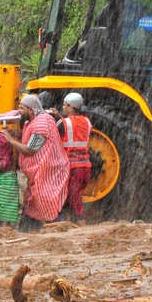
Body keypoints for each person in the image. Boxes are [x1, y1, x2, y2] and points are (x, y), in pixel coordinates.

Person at [2, 94, 70, 231]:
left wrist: (10, 139)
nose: (19, 111)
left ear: (31, 110)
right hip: (40, 173)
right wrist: (14, 133)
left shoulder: (41, 124)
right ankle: (25, 230)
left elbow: (30, 149)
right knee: (32, 203)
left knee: (45, 202)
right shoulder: (32, 122)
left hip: (49, 172)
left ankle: (62, 229)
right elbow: (28, 137)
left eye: (21, 108)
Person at [59, 92, 92, 221]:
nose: (63, 107)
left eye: (64, 105)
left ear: (70, 108)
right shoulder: (87, 122)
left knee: (73, 196)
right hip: (85, 166)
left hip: (72, 167)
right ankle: (70, 219)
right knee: (74, 194)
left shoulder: (64, 123)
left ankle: (79, 220)